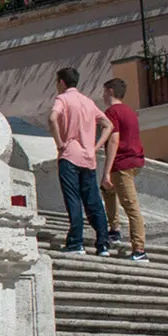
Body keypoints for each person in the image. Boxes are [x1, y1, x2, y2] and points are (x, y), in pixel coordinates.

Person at [48, 67, 114, 255]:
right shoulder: (88, 102)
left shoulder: (63, 99)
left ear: (61, 82)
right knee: (93, 200)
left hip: (69, 155)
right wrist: (96, 146)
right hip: (88, 157)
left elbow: (53, 118)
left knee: (73, 199)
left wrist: (59, 142)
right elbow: (108, 125)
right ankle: (102, 242)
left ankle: (76, 242)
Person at [99, 76, 149, 262]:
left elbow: (114, 140)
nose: (103, 96)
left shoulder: (112, 112)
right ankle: (114, 229)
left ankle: (139, 249)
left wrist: (106, 171)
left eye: (104, 92)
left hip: (122, 163)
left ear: (110, 91)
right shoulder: (129, 111)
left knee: (131, 206)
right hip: (135, 161)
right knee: (107, 189)